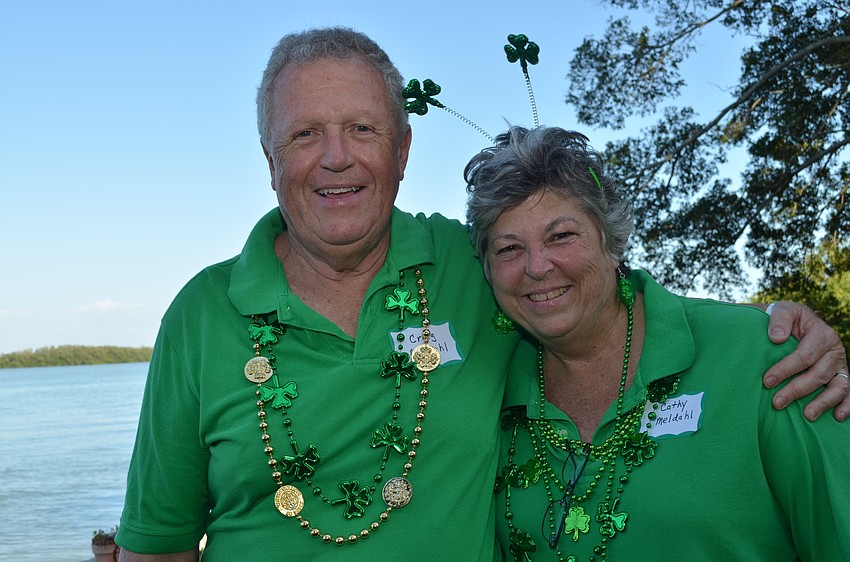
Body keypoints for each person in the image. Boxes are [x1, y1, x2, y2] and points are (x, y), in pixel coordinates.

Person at [115, 28, 849, 562]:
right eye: (305, 134)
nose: (335, 158)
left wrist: (788, 329)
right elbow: (160, 544)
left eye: (361, 129)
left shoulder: (467, 271)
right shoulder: (202, 315)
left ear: (401, 153)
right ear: (271, 157)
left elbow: (600, 295)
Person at [463, 126, 849, 561]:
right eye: (509, 249)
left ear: (611, 243)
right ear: (488, 271)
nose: (537, 267)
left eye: (561, 236)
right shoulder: (482, 392)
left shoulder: (765, 356)